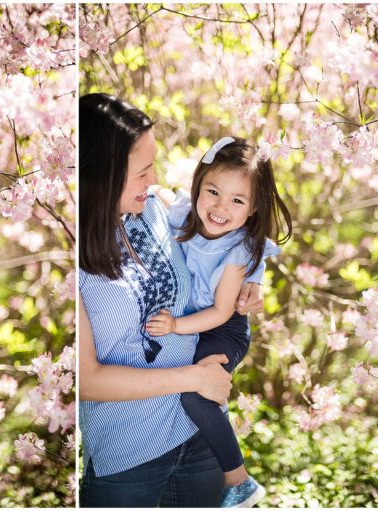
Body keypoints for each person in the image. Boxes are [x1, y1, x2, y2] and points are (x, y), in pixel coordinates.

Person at [78, 93, 265, 507]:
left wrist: (251, 281)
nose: (153, 178)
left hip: (198, 435)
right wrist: (193, 380)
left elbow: (221, 247)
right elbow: (85, 379)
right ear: (102, 175)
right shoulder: (73, 255)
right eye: (142, 171)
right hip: (129, 458)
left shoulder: (154, 210)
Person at [144, 137, 292, 507]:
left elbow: (223, 312)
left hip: (223, 329)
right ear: (198, 185)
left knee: (195, 394)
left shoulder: (237, 249)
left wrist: (176, 326)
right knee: (197, 393)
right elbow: (157, 192)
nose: (220, 207)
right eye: (212, 191)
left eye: (237, 200)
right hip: (198, 321)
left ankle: (238, 480)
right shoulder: (183, 214)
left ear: (253, 209)